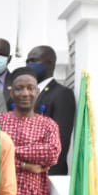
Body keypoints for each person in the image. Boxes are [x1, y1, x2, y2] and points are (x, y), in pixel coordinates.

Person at [0, 68, 62, 195]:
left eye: (30, 88)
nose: (25, 93)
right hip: (2, 193)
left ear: (37, 91)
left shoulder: (48, 125)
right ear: (11, 93)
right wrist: (25, 165)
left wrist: (10, 150)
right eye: (19, 88)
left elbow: (51, 153)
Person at [28, 45, 76, 176]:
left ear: (49, 63)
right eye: (27, 61)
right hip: (25, 171)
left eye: (33, 60)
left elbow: (61, 139)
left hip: (48, 173)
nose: (29, 65)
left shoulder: (61, 93)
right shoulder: (27, 94)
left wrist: (46, 170)